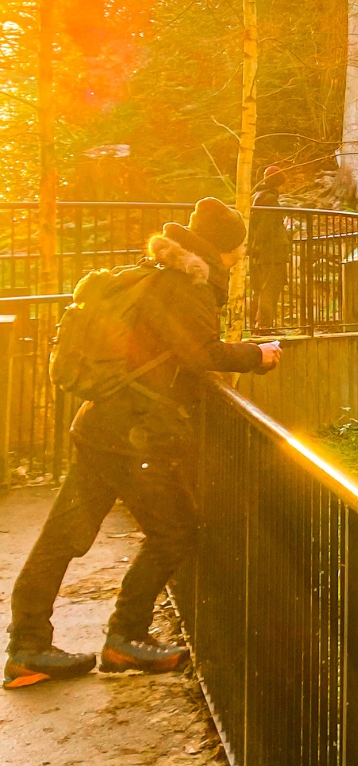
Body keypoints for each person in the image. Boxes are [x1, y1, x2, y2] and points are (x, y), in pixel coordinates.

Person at [4, 199, 282, 688]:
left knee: (61, 538)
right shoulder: (186, 286)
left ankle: (28, 646)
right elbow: (199, 353)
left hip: (102, 426)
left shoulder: (158, 273)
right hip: (134, 434)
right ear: (222, 248)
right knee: (176, 530)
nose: (240, 257)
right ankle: (124, 639)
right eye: (238, 249)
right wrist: (256, 355)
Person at [249, 166, 291, 331]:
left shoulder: (257, 197)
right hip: (272, 251)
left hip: (262, 251)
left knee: (260, 288)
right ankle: (264, 325)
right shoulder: (269, 200)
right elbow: (265, 228)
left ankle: (256, 324)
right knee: (270, 287)